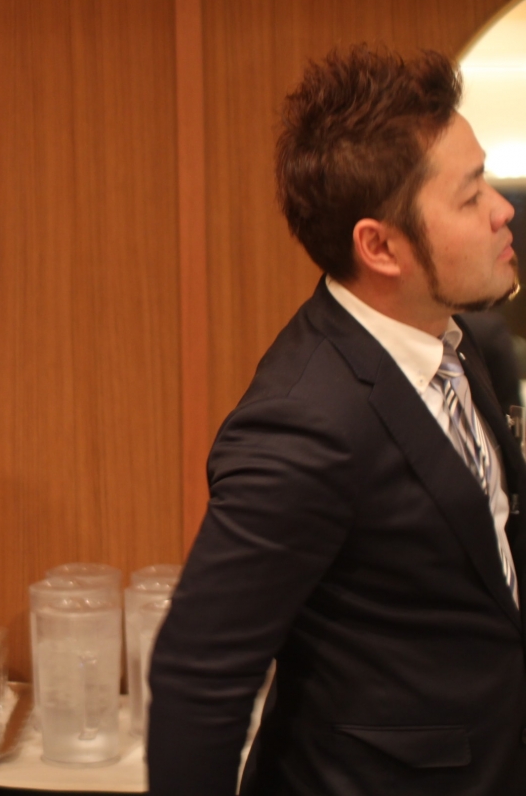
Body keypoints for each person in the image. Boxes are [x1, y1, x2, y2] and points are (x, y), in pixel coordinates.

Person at [147, 47, 524, 795]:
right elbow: (199, 678)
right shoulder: (303, 423)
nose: (503, 209)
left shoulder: (464, 341)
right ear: (379, 246)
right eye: (470, 196)